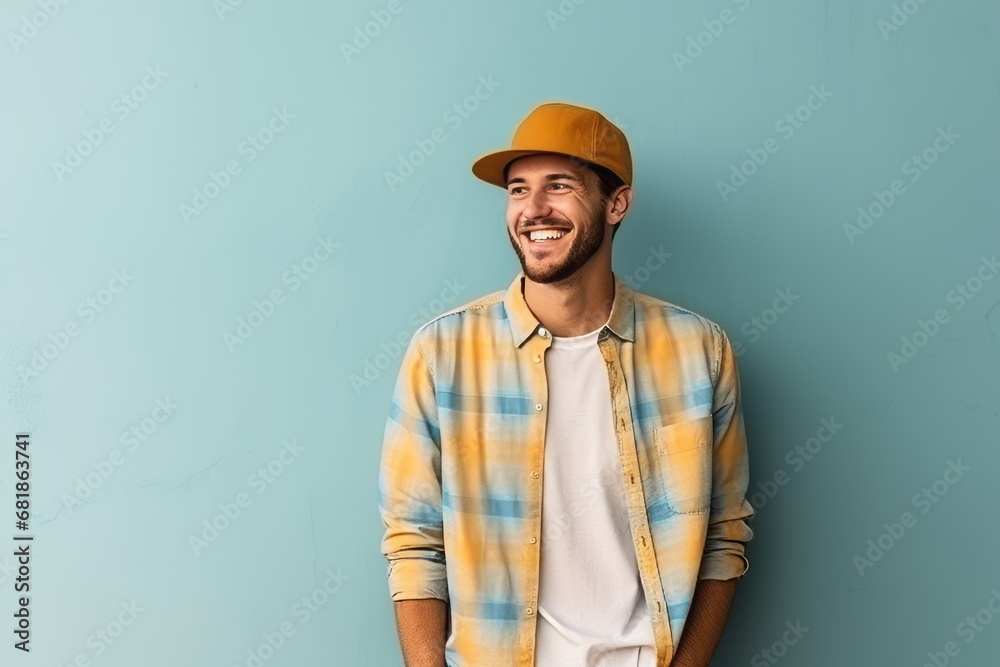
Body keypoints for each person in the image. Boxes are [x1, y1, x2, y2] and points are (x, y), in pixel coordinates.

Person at [377, 102, 755, 667]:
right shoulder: (442, 354)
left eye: (559, 185)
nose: (532, 209)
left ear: (616, 203)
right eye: (517, 189)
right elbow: (414, 544)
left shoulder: (698, 351)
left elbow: (723, 538)